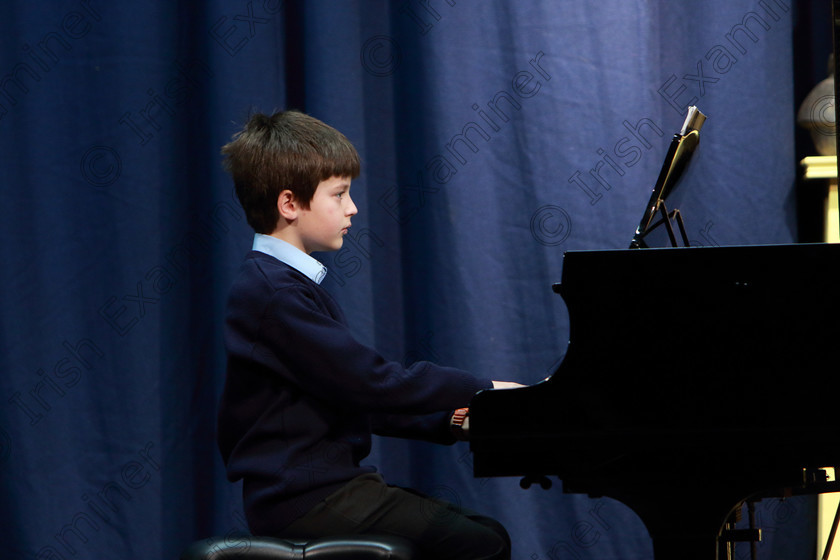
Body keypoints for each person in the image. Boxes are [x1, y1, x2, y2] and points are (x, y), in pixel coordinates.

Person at [216, 110, 518, 560]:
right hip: (306, 499)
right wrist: (485, 389)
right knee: (481, 542)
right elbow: (372, 382)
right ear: (290, 204)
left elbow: (348, 399)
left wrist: (450, 419)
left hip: (324, 491)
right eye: (339, 194)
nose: (352, 208)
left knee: (482, 531)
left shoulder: (280, 286)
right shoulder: (273, 293)